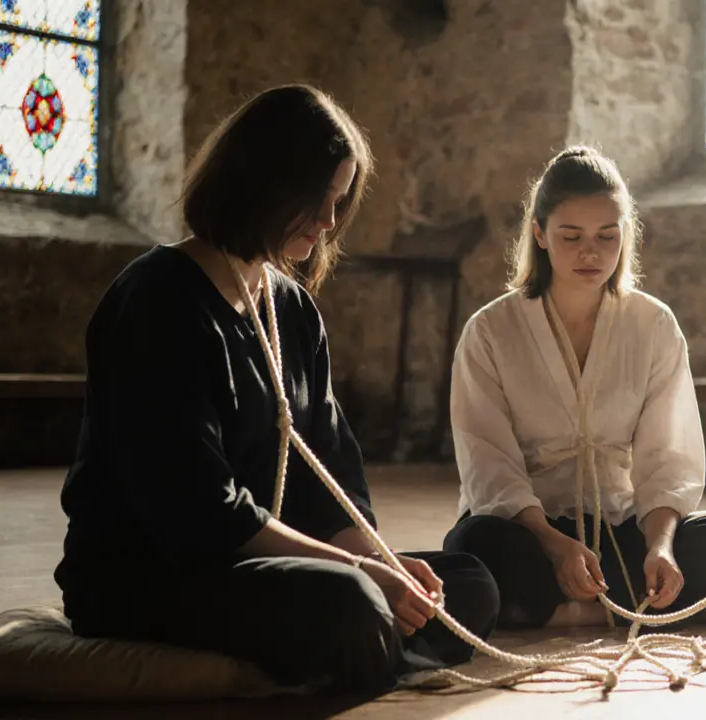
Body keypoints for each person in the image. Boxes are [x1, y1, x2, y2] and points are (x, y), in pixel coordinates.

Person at [53, 85, 499, 696]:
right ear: (262, 183)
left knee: (468, 581)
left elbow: (330, 477)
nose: (327, 222)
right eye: (316, 201)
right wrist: (363, 573)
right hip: (154, 572)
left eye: (338, 203)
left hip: (264, 567)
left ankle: (364, 645)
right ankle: (370, 646)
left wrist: (386, 566)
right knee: (351, 601)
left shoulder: (291, 309)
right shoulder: (156, 301)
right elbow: (200, 514)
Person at [442, 147, 706, 629]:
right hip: (530, 531)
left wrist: (661, 547)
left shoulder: (653, 324)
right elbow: (488, 463)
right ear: (540, 234)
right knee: (475, 546)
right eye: (571, 236)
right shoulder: (490, 331)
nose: (591, 252)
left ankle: (560, 612)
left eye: (607, 236)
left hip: (615, 525)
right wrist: (556, 544)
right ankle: (619, 608)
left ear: (625, 236)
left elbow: (667, 458)